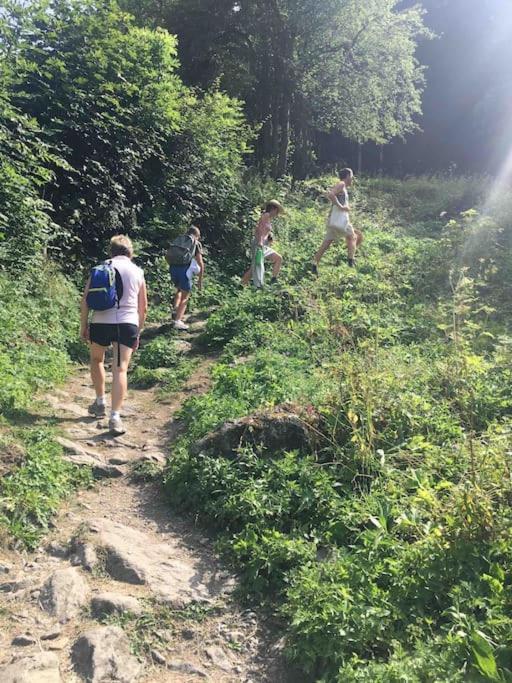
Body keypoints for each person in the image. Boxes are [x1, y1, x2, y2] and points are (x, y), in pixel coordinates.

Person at [80, 235, 148, 436]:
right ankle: (115, 417)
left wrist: (84, 325)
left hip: (100, 322)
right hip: (126, 324)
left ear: (111, 251)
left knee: (96, 360)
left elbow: (85, 300)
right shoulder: (137, 271)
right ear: (131, 252)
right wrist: (138, 329)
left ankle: (100, 401)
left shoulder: (101, 268)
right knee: (120, 370)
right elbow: (143, 307)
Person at [311, 168, 363, 273]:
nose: (352, 179)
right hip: (340, 219)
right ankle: (350, 263)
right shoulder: (341, 184)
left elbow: (334, 198)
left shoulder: (343, 187)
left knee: (327, 242)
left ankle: (314, 264)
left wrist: (341, 207)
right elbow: (330, 194)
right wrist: (342, 207)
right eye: (351, 176)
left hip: (334, 220)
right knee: (353, 237)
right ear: (347, 176)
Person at [167, 226, 204, 331]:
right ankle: (178, 320)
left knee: (179, 290)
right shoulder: (195, 243)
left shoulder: (179, 239)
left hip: (173, 268)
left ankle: (175, 311)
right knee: (185, 296)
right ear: (197, 235)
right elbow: (200, 263)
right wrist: (200, 281)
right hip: (184, 270)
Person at [242, 200, 284, 287]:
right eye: (277, 211)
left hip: (264, 244)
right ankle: (258, 286)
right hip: (259, 243)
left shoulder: (268, 218)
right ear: (273, 209)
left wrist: (269, 237)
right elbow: (259, 229)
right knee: (257, 265)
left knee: (278, 258)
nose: (277, 214)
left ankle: (273, 279)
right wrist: (260, 241)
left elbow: (265, 230)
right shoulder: (266, 215)